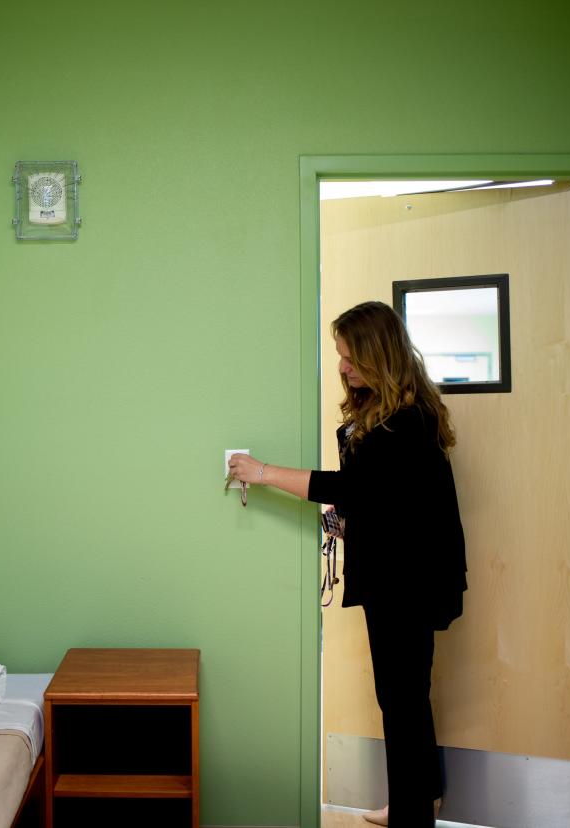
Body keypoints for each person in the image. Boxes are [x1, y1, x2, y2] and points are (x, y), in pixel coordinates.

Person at [227, 300, 466, 828]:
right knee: (407, 698)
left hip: (409, 581)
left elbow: (350, 486)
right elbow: (377, 495)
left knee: (401, 702)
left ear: (377, 355)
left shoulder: (406, 422)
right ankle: (417, 800)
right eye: (340, 355)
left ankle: (412, 814)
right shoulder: (390, 409)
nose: (341, 366)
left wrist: (262, 471)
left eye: (350, 356)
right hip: (403, 574)